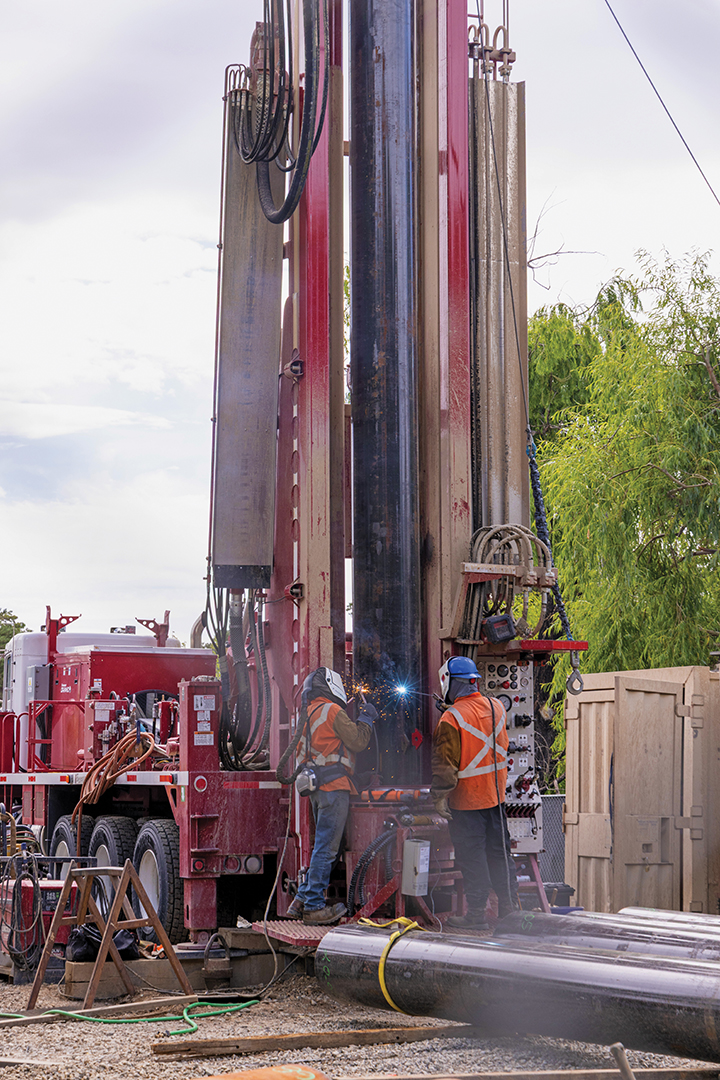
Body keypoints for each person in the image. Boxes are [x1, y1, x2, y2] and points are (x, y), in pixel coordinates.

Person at [431, 654, 518, 930]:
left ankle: (476, 914)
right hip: (495, 798)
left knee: (473, 857)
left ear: (448, 682)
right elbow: (477, 722)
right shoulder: (496, 707)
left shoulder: (451, 718)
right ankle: (509, 909)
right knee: (499, 853)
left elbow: (446, 763)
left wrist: (439, 796)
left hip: (467, 801)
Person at [287, 667, 377, 925]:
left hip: (316, 788)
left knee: (324, 846)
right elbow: (357, 741)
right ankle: (314, 906)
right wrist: (367, 719)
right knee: (327, 849)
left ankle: (302, 899)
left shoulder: (308, 712)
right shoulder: (332, 711)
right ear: (331, 686)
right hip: (334, 788)